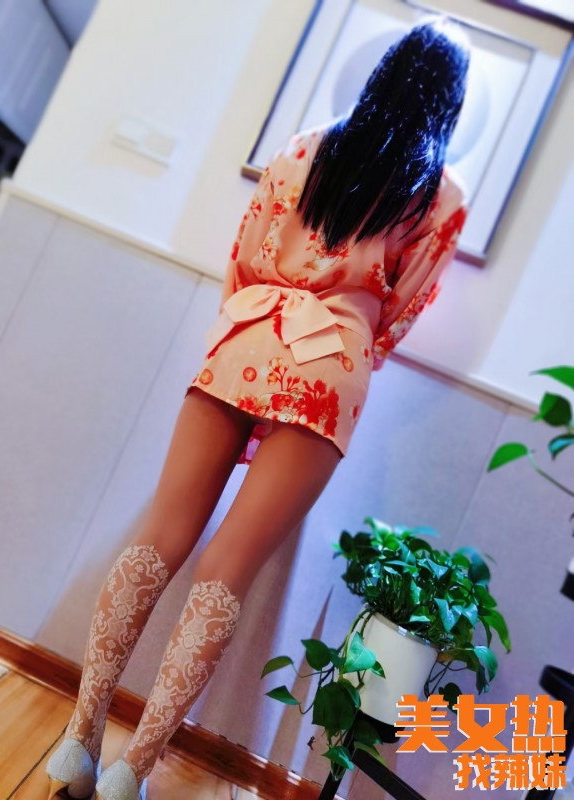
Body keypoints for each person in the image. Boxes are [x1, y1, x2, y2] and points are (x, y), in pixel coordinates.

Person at [45, 14, 470, 800]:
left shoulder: (306, 147)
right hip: (330, 362)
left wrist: (256, 322)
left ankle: (79, 740)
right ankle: (132, 771)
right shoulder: (439, 193)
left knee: (159, 538)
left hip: (247, 336)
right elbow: (403, 308)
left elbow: (245, 254)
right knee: (227, 570)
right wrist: (350, 339)